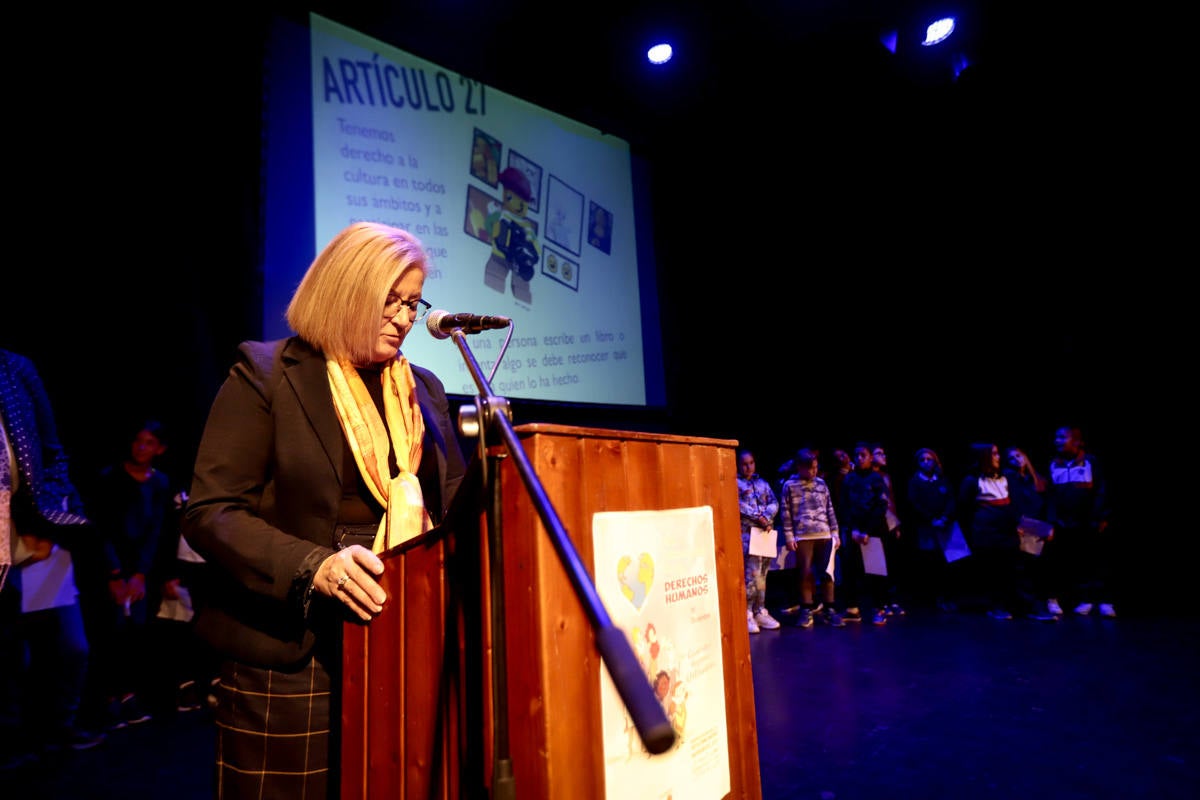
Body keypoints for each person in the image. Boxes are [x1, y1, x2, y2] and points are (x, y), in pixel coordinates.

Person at [180, 221, 468, 798]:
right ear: (345, 291)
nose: (405, 318)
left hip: (404, 640)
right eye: (390, 300)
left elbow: (455, 503)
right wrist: (315, 567)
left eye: (413, 303)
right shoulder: (266, 375)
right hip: (290, 655)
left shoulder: (425, 390)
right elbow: (212, 511)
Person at [0, 348, 105, 768]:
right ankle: (14, 739)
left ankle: (56, 728)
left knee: (68, 646)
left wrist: (51, 519)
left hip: (32, 530)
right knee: (10, 654)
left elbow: (52, 452)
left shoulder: (14, 368)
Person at [80, 418, 178, 729]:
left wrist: (140, 575)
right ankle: (105, 701)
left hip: (139, 572)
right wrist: (115, 573)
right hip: (110, 569)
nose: (141, 447)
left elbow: (156, 532)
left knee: (135, 633)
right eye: (138, 441)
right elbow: (103, 530)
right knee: (109, 632)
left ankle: (127, 695)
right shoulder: (110, 479)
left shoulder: (160, 483)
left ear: (159, 449)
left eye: (149, 443)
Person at [956, 442, 1042, 620]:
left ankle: (1028, 607)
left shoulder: (1004, 478)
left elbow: (1013, 505)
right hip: (987, 534)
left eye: (997, 453)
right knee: (994, 572)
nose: (998, 457)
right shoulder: (973, 480)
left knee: (1016, 571)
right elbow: (964, 508)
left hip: (1007, 533)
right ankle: (997, 606)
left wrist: (1018, 525)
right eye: (994, 454)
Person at [1044, 426, 1113, 617]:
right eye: (1056, 437)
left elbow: (1102, 490)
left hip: (1088, 521)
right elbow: (1050, 495)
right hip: (1062, 522)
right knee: (1064, 562)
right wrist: (1051, 521)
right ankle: (1068, 599)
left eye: (1062, 437)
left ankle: (1099, 600)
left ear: (1076, 441)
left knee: (1093, 561)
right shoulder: (1052, 464)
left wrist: (1101, 516)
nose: (1057, 441)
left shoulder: (1091, 462)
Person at [778, 449, 844, 627]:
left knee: (827, 573)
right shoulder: (789, 486)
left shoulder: (821, 484)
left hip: (824, 534)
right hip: (803, 536)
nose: (814, 472)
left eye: (816, 468)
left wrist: (835, 533)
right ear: (800, 467)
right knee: (805, 573)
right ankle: (806, 609)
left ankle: (830, 609)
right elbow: (786, 514)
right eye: (811, 468)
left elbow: (830, 509)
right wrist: (790, 536)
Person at [837, 443, 891, 625]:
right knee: (850, 569)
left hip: (873, 532)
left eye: (863, 455)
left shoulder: (877, 479)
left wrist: (867, 530)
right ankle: (852, 608)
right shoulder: (849, 479)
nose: (860, 458)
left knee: (876, 571)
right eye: (857, 455)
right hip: (853, 532)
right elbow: (844, 505)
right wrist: (853, 529)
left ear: (870, 458)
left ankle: (880, 608)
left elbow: (881, 506)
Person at [1003, 445, 1058, 620]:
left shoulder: (1036, 479)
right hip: (1020, 527)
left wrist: (1049, 526)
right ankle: (1029, 606)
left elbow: (1049, 503)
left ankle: (1041, 603)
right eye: (1011, 458)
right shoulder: (1007, 479)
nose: (1016, 460)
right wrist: (1015, 524)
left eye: (1018, 455)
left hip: (1038, 527)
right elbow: (1008, 504)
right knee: (1022, 568)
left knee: (1038, 568)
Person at [905, 447, 962, 612]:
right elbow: (915, 504)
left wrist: (945, 517)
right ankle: (932, 598)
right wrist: (931, 519)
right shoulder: (915, 481)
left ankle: (948, 596)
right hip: (927, 528)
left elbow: (951, 499)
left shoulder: (942, 479)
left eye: (928, 459)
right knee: (932, 562)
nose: (925, 462)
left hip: (946, 526)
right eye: (922, 460)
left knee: (949, 562)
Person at [737, 449, 781, 634]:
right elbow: (739, 505)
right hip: (748, 535)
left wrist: (767, 516)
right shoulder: (735, 483)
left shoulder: (762, 482)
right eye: (745, 464)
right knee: (751, 576)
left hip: (764, 535)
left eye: (751, 463)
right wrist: (758, 517)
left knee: (763, 575)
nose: (749, 467)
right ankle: (746, 613)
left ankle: (760, 610)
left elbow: (774, 502)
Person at [870, 443, 906, 616]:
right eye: (879, 453)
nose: (883, 456)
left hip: (890, 523)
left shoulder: (886, 476)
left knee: (893, 564)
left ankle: (893, 600)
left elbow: (891, 501)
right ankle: (880, 602)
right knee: (878, 566)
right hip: (875, 526)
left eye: (884, 453)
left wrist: (897, 524)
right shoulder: (866, 477)